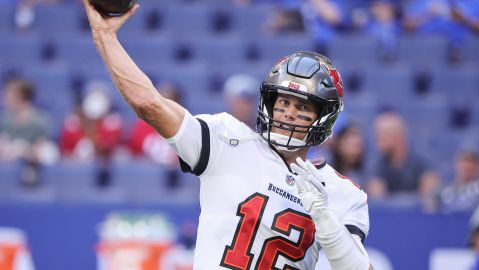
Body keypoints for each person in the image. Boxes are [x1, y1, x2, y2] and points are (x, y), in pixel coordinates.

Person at [81, 1, 372, 269]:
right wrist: (104, 38)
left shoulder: (341, 192)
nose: (288, 112)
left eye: (302, 106)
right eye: (282, 102)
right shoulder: (229, 140)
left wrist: (325, 219)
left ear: (324, 117)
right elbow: (150, 105)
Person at [366, 111, 440, 205]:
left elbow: (430, 200)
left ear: (398, 136)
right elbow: (378, 202)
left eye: (381, 134)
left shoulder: (423, 160)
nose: (377, 140)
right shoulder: (376, 164)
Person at [437, 147, 479, 212]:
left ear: (477, 166)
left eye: (471, 162)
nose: (466, 166)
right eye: (463, 161)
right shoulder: (442, 191)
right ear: (456, 164)